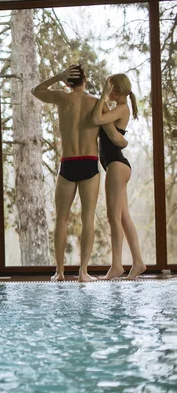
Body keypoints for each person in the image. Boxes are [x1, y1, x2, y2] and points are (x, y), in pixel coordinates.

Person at [32, 65, 121, 282]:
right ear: (85, 80)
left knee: (61, 219)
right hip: (89, 163)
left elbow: (36, 90)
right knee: (87, 217)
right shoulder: (97, 103)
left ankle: (60, 272)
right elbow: (115, 136)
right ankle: (83, 273)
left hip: (68, 162)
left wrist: (57, 76)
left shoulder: (62, 99)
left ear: (67, 82)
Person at [91, 73, 147, 280]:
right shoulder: (120, 109)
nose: (108, 92)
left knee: (113, 218)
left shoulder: (122, 108)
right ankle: (139, 262)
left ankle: (116, 266)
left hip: (116, 165)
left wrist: (102, 97)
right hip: (118, 165)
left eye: (110, 88)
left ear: (117, 89)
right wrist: (104, 100)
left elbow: (96, 118)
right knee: (123, 218)